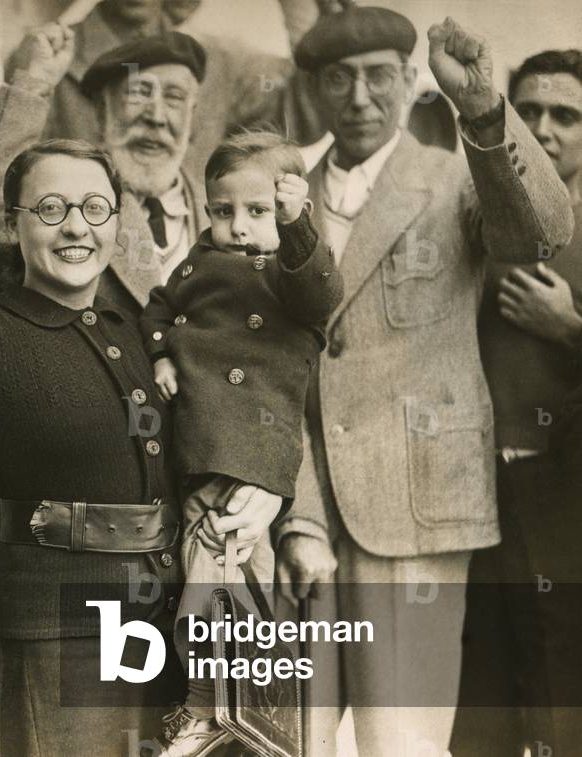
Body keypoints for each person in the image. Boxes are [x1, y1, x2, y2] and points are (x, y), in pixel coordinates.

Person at [0, 64, 272, 756]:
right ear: (13, 224)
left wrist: (262, 493)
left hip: (173, 615)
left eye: (94, 209)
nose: (75, 228)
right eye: (50, 209)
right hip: (63, 629)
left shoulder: (139, 327)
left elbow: (255, 395)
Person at [273, 8, 575, 756]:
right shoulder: (278, 197)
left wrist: (480, 109)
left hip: (417, 503)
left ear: (410, 84)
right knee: (294, 738)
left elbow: (538, 230)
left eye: (379, 76)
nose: (359, 96)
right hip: (302, 507)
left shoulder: (452, 176)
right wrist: (297, 513)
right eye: (337, 79)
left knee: (399, 742)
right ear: (310, 91)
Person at [139, 131, 342, 754]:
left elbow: (320, 293)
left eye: (257, 212)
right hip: (199, 451)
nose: (238, 226)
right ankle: (238, 712)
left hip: (255, 452)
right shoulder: (199, 261)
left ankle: (222, 710)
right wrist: (161, 356)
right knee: (215, 578)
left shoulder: (290, 269)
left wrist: (296, 226)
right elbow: (158, 308)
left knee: (226, 572)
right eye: (222, 210)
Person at [451, 48, 582, 757]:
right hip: (477, 488)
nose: (543, 127)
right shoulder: (475, 218)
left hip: (566, 491)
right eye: (526, 111)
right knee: (483, 694)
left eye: (565, 114)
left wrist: (570, 329)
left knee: (562, 681)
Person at [0, 29, 209, 313]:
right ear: (101, 112)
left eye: (174, 98)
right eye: (139, 93)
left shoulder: (222, 210)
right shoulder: (61, 198)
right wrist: (36, 82)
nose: (156, 117)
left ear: (192, 116)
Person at [10, 0, 329, 182]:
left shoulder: (218, 62)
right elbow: (5, 194)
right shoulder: (45, 57)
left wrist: (318, 24)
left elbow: (305, 116)